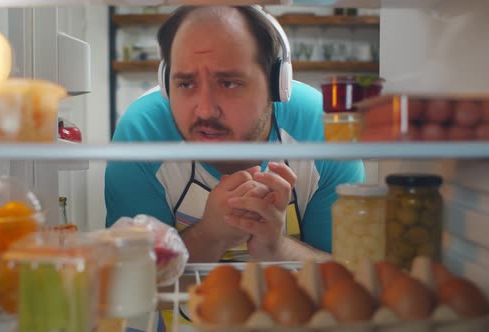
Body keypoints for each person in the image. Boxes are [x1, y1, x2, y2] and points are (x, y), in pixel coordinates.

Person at [105, 5, 365, 263]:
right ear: (166, 82)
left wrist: (277, 247)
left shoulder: (325, 132)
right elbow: (129, 282)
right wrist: (209, 236)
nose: (205, 110)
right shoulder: (140, 135)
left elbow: (351, 283)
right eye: (185, 83)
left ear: (277, 84)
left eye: (229, 83)